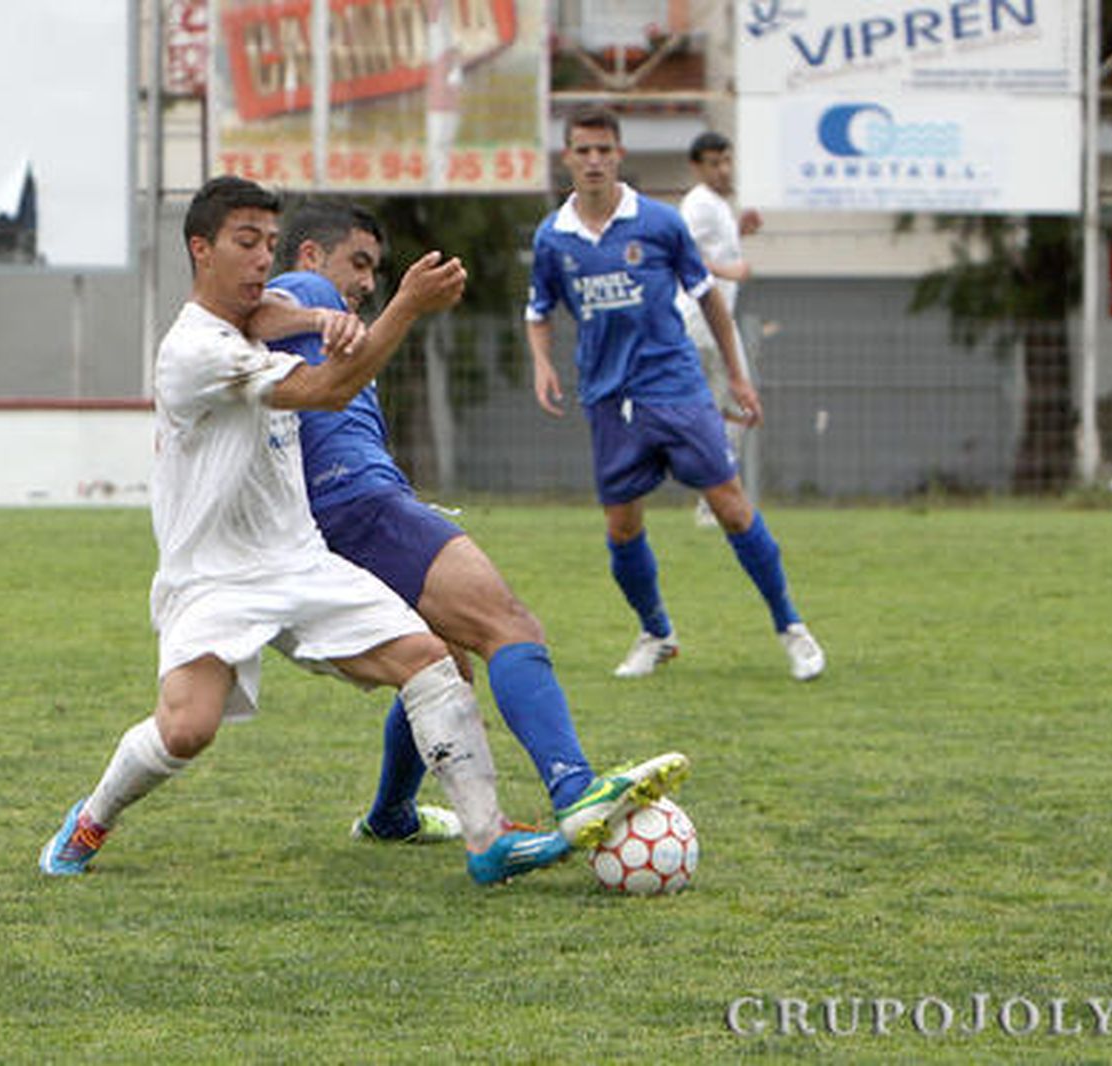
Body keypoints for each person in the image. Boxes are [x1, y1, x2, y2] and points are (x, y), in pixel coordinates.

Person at [39, 176, 570, 886]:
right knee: (188, 729)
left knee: (429, 656)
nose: (262, 259)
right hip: (214, 576)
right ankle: (92, 816)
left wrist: (322, 323)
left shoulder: (253, 316)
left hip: (299, 559)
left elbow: (268, 315)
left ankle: (487, 840)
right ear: (202, 249)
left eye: (267, 243)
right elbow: (328, 391)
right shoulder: (192, 352)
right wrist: (404, 306)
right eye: (245, 243)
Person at [258, 199, 690, 850]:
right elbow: (257, 309)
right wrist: (402, 302)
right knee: (507, 625)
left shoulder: (330, 329)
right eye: (361, 263)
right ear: (314, 256)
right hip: (358, 506)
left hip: (344, 509)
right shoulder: (306, 289)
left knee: (444, 662)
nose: (368, 282)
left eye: (377, 270)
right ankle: (575, 791)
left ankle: (392, 816)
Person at [524, 106, 826, 683]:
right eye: (582, 150)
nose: (593, 160)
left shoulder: (659, 223)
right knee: (621, 527)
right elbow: (538, 311)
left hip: (676, 386)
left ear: (619, 155)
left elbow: (708, 295)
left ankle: (792, 627)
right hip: (608, 398)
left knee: (731, 506)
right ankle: (657, 632)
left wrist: (737, 375)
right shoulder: (552, 237)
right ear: (567, 157)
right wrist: (541, 363)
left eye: (603, 150)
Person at [671, 131, 762, 529]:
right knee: (736, 407)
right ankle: (715, 502)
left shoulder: (718, 205)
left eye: (727, 161)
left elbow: (714, 250)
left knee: (721, 409)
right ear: (696, 166)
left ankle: (715, 497)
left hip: (712, 322)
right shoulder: (698, 204)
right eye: (714, 163)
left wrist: (740, 233)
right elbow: (682, 253)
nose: (723, 170)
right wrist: (732, 270)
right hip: (702, 321)